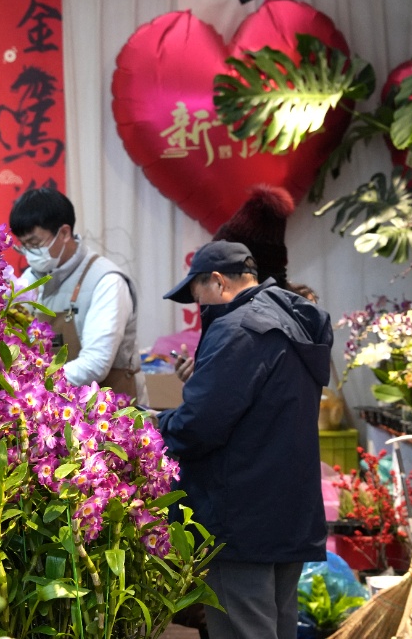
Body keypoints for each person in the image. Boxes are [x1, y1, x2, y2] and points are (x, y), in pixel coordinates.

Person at [157, 240, 333, 639]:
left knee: (243, 629)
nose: (199, 308)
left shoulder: (237, 329)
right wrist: (203, 379)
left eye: (198, 296)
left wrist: (157, 424)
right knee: (279, 624)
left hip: (241, 514)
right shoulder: (290, 318)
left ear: (218, 282)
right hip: (288, 509)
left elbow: (200, 425)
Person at [9, 188, 143, 400]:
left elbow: (96, 363)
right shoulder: (31, 279)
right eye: (24, 246)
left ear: (64, 233)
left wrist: (36, 383)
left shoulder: (106, 281)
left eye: (35, 244)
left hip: (109, 407)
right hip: (55, 403)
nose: (29, 254)